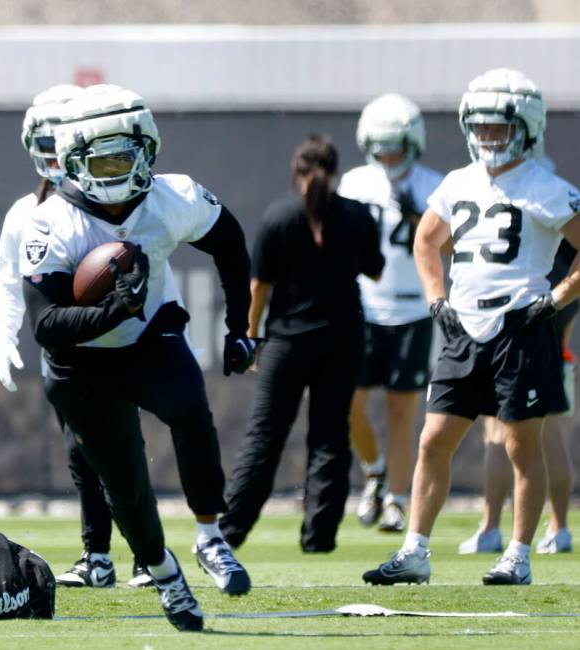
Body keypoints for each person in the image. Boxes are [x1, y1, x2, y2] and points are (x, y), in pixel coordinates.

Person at [20, 84, 255, 631]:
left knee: (190, 406)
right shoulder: (49, 221)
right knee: (126, 489)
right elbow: (47, 327)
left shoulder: (175, 196)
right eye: (100, 159)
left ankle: (209, 536)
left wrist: (239, 328)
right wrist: (114, 309)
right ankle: (164, 573)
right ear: (73, 162)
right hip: (79, 364)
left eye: (123, 156)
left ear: (146, 149)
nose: (113, 169)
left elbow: (231, 244)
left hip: (149, 338)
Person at [364, 68, 580, 587]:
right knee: (433, 437)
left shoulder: (548, 188)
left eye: (496, 128)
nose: (486, 137)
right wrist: (437, 299)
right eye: (479, 127)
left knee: (519, 444)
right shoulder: (458, 182)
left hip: (519, 324)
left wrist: (554, 300)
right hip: (464, 324)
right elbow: (426, 241)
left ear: (526, 128)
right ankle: (415, 550)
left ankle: (519, 553)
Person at [0, 84, 152, 588]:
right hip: (63, 346)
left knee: (125, 449)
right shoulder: (26, 213)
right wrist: (3, 338)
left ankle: (146, 556)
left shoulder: (114, 204)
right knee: (81, 452)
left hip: (116, 343)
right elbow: (7, 280)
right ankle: (97, 555)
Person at [220, 134, 385, 553]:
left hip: (286, 343)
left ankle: (230, 532)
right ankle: (319, 537)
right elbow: (376, 272)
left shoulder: (279, 216)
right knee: (330, 438)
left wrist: (252, 336)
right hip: (342, 339)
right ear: (335, 173)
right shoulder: (357, 215)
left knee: (265, 436)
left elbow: (259, 286)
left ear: (297, 172)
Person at [337, 94, 443, 533]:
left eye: (394, 146)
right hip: (363, 307)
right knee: (347, 403)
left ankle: (397, 499)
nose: (386, 155)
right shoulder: (355, 183)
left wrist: (419, 216)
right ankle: (374, 470)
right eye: (378, 146)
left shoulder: (435, 184)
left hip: (413, 308)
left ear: (413, 143)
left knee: (403, 411)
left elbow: (449, 245)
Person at [459, 238, 577, 555]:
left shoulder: (536, 247)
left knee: (498, 433)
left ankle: (491, 528)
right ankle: (559, 528)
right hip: (555, 349)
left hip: (520, 345)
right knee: (551, 435)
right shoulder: (564, 254)